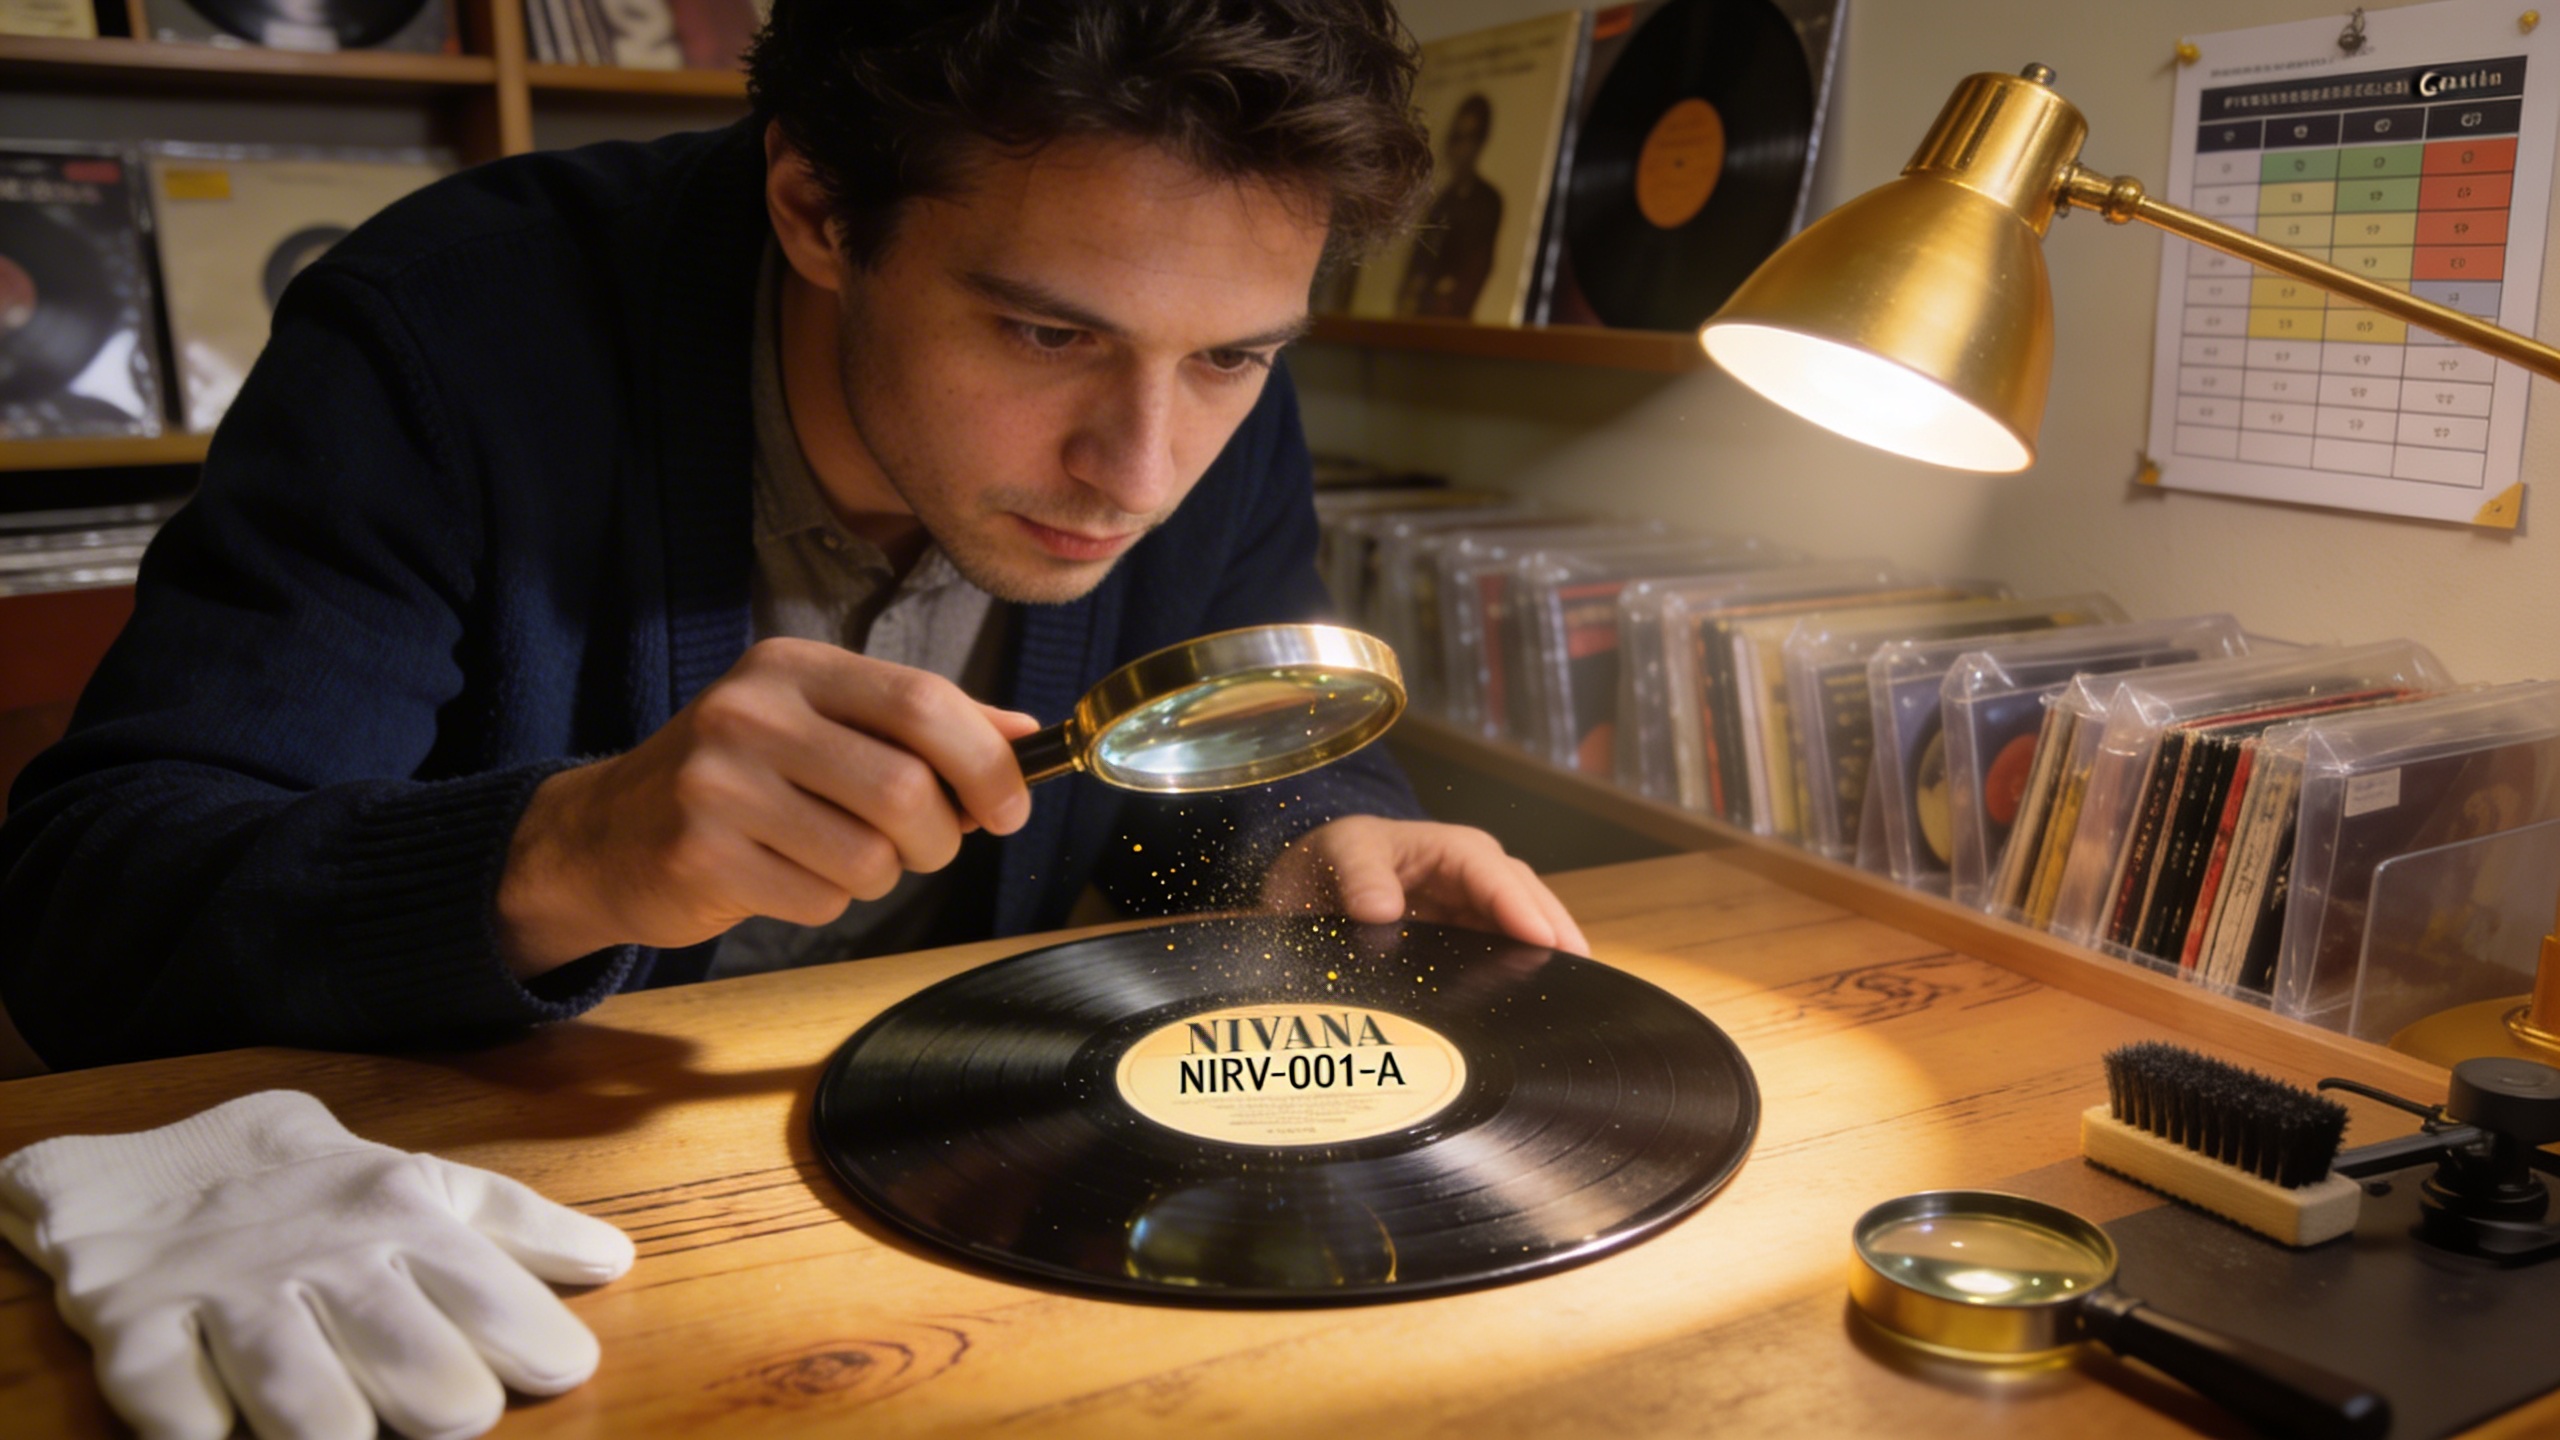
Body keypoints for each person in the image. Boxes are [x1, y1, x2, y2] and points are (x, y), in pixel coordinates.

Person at [0, 0, 1587, 1071]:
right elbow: (89, 921)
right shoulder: (445, 338)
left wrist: (1304, 847)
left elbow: (1247, 738)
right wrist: (565, 853)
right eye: (1045, 335)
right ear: (819, 209)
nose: (1142, 469)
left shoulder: (1189, 384)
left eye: (1236, 357)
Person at [1394, 92, 1503, 319]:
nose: (1461, 149)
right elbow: (1419, 261)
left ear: (1480, 142)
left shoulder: (1488, 201)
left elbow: (1477, 268)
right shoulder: (1442, 200)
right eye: (1457, 138)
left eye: (1470, 138)